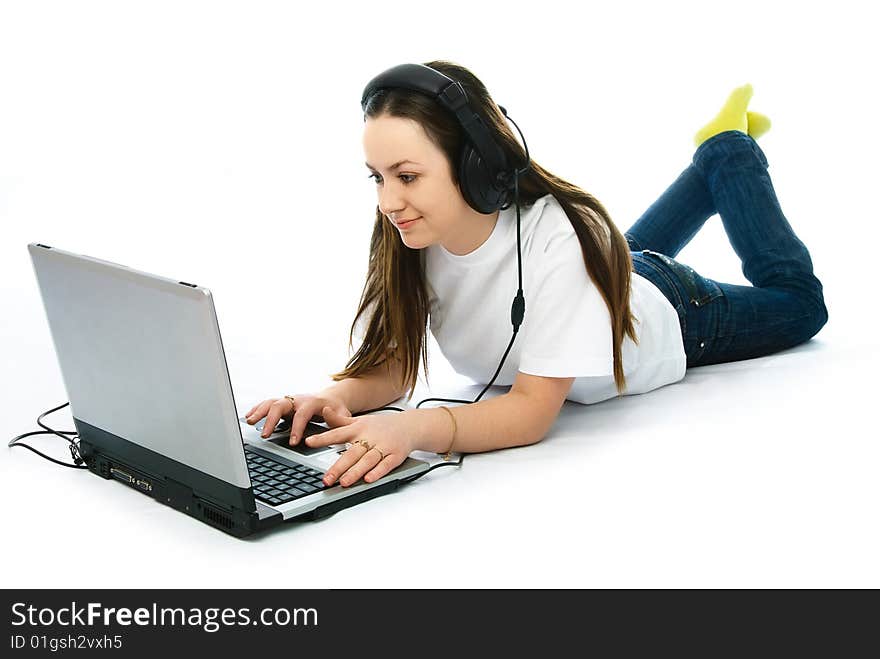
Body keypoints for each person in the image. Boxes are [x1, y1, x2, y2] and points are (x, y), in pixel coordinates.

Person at [245, 61, 828, 490]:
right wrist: (329, 397)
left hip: (676, 313)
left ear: (478, 167)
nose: (388, 201)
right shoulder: (412, 235)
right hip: (595, 278)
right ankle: (708, 168)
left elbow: (530, 411)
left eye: (407, 176)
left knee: (801, 306)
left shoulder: (559, 241)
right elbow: (393, 366)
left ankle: (727, 151)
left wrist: (415, 430)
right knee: (609, 253)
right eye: (376, 177)